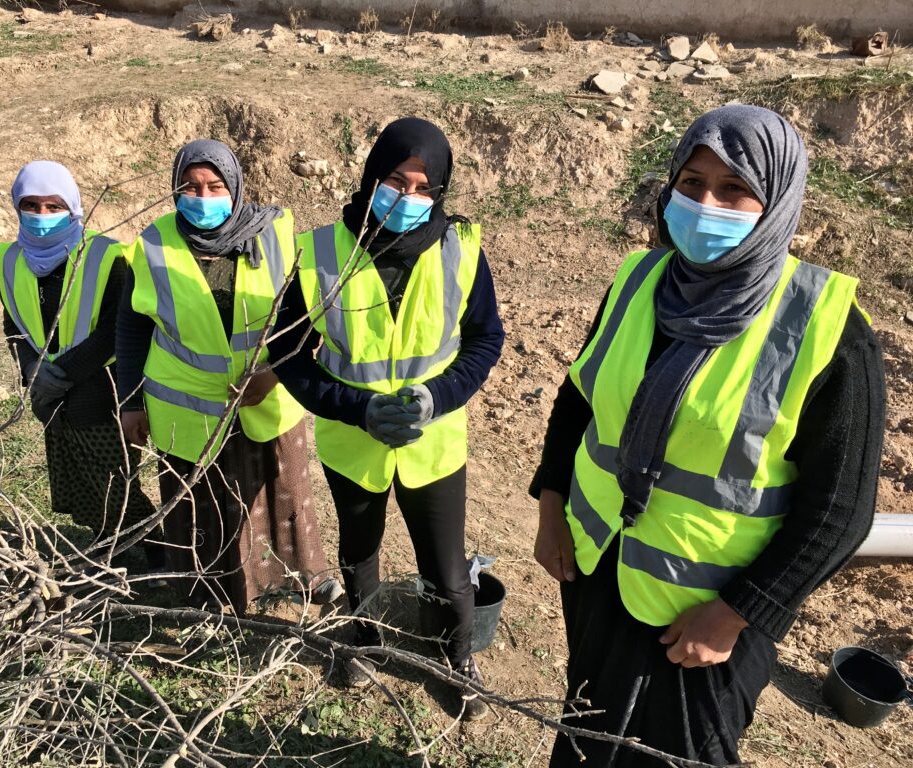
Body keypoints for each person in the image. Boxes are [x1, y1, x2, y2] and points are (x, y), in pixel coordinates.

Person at [531, 105, 886, 765]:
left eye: (733, 191)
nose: (705, 204)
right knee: (584, 733)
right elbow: (578, 400)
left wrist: (734, 614)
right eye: (691, 184)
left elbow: (839, 513)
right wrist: (552, 508)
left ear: (777, 202)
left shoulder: (830, 332)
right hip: (599, 569)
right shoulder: (639, 283)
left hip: (705, 618)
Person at [270, 117, 505, 720]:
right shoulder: (320, 253)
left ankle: (455, 659)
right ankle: (365, 639)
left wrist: (436, 397)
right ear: (373, 175)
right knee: (360, 551)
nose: (408, 197)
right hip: (355, 441)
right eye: (396, 180)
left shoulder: (463, 249)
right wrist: (359, 407)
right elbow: (290, 355)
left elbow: (484, 341)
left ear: (442, 192)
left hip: (435, 442)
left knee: (447, 569)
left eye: (424, 188)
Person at [116, 139, 342, 612]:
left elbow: (303, 317)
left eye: (215, 186)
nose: (202, 198)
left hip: (266, 395)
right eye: (190, 188)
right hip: (187, 403)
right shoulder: (153, 244)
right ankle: (208, 592)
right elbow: (134, 329)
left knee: (281, 495)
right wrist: (131, 401)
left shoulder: (277, 233)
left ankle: (292, 582)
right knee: (201, 502)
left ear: (236, 187)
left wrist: (275, 372)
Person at [0, 160, 162, 573]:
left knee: (114, 482)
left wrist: (62, 372)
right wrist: (32, 369)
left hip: (102, 389)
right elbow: (14, 321)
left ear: (73, 207)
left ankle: (161, 549)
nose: (42, 216)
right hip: (51, 397)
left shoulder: (106, 257)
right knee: (78, 481)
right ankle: (110, 547)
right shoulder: (11, 260)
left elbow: (115, 328)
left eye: (54, 206)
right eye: (31, 205)